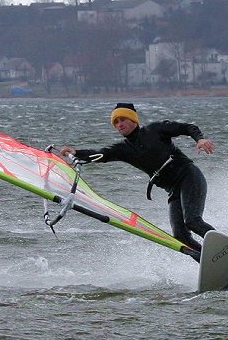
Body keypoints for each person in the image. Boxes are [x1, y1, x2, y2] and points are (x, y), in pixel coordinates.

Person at [60, 103, 216, 256]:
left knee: (193, 221)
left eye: (122, 120)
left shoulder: (155, 130)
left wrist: (200, 140)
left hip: (189, 176)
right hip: (173, 189)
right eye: (116, 122)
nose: (119, 124)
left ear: (133, 119)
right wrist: (76, 152)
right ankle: (212, 262)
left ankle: (225, 249)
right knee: (180, 237)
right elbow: (101, 155)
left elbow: (187, 127)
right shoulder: (123, 149)